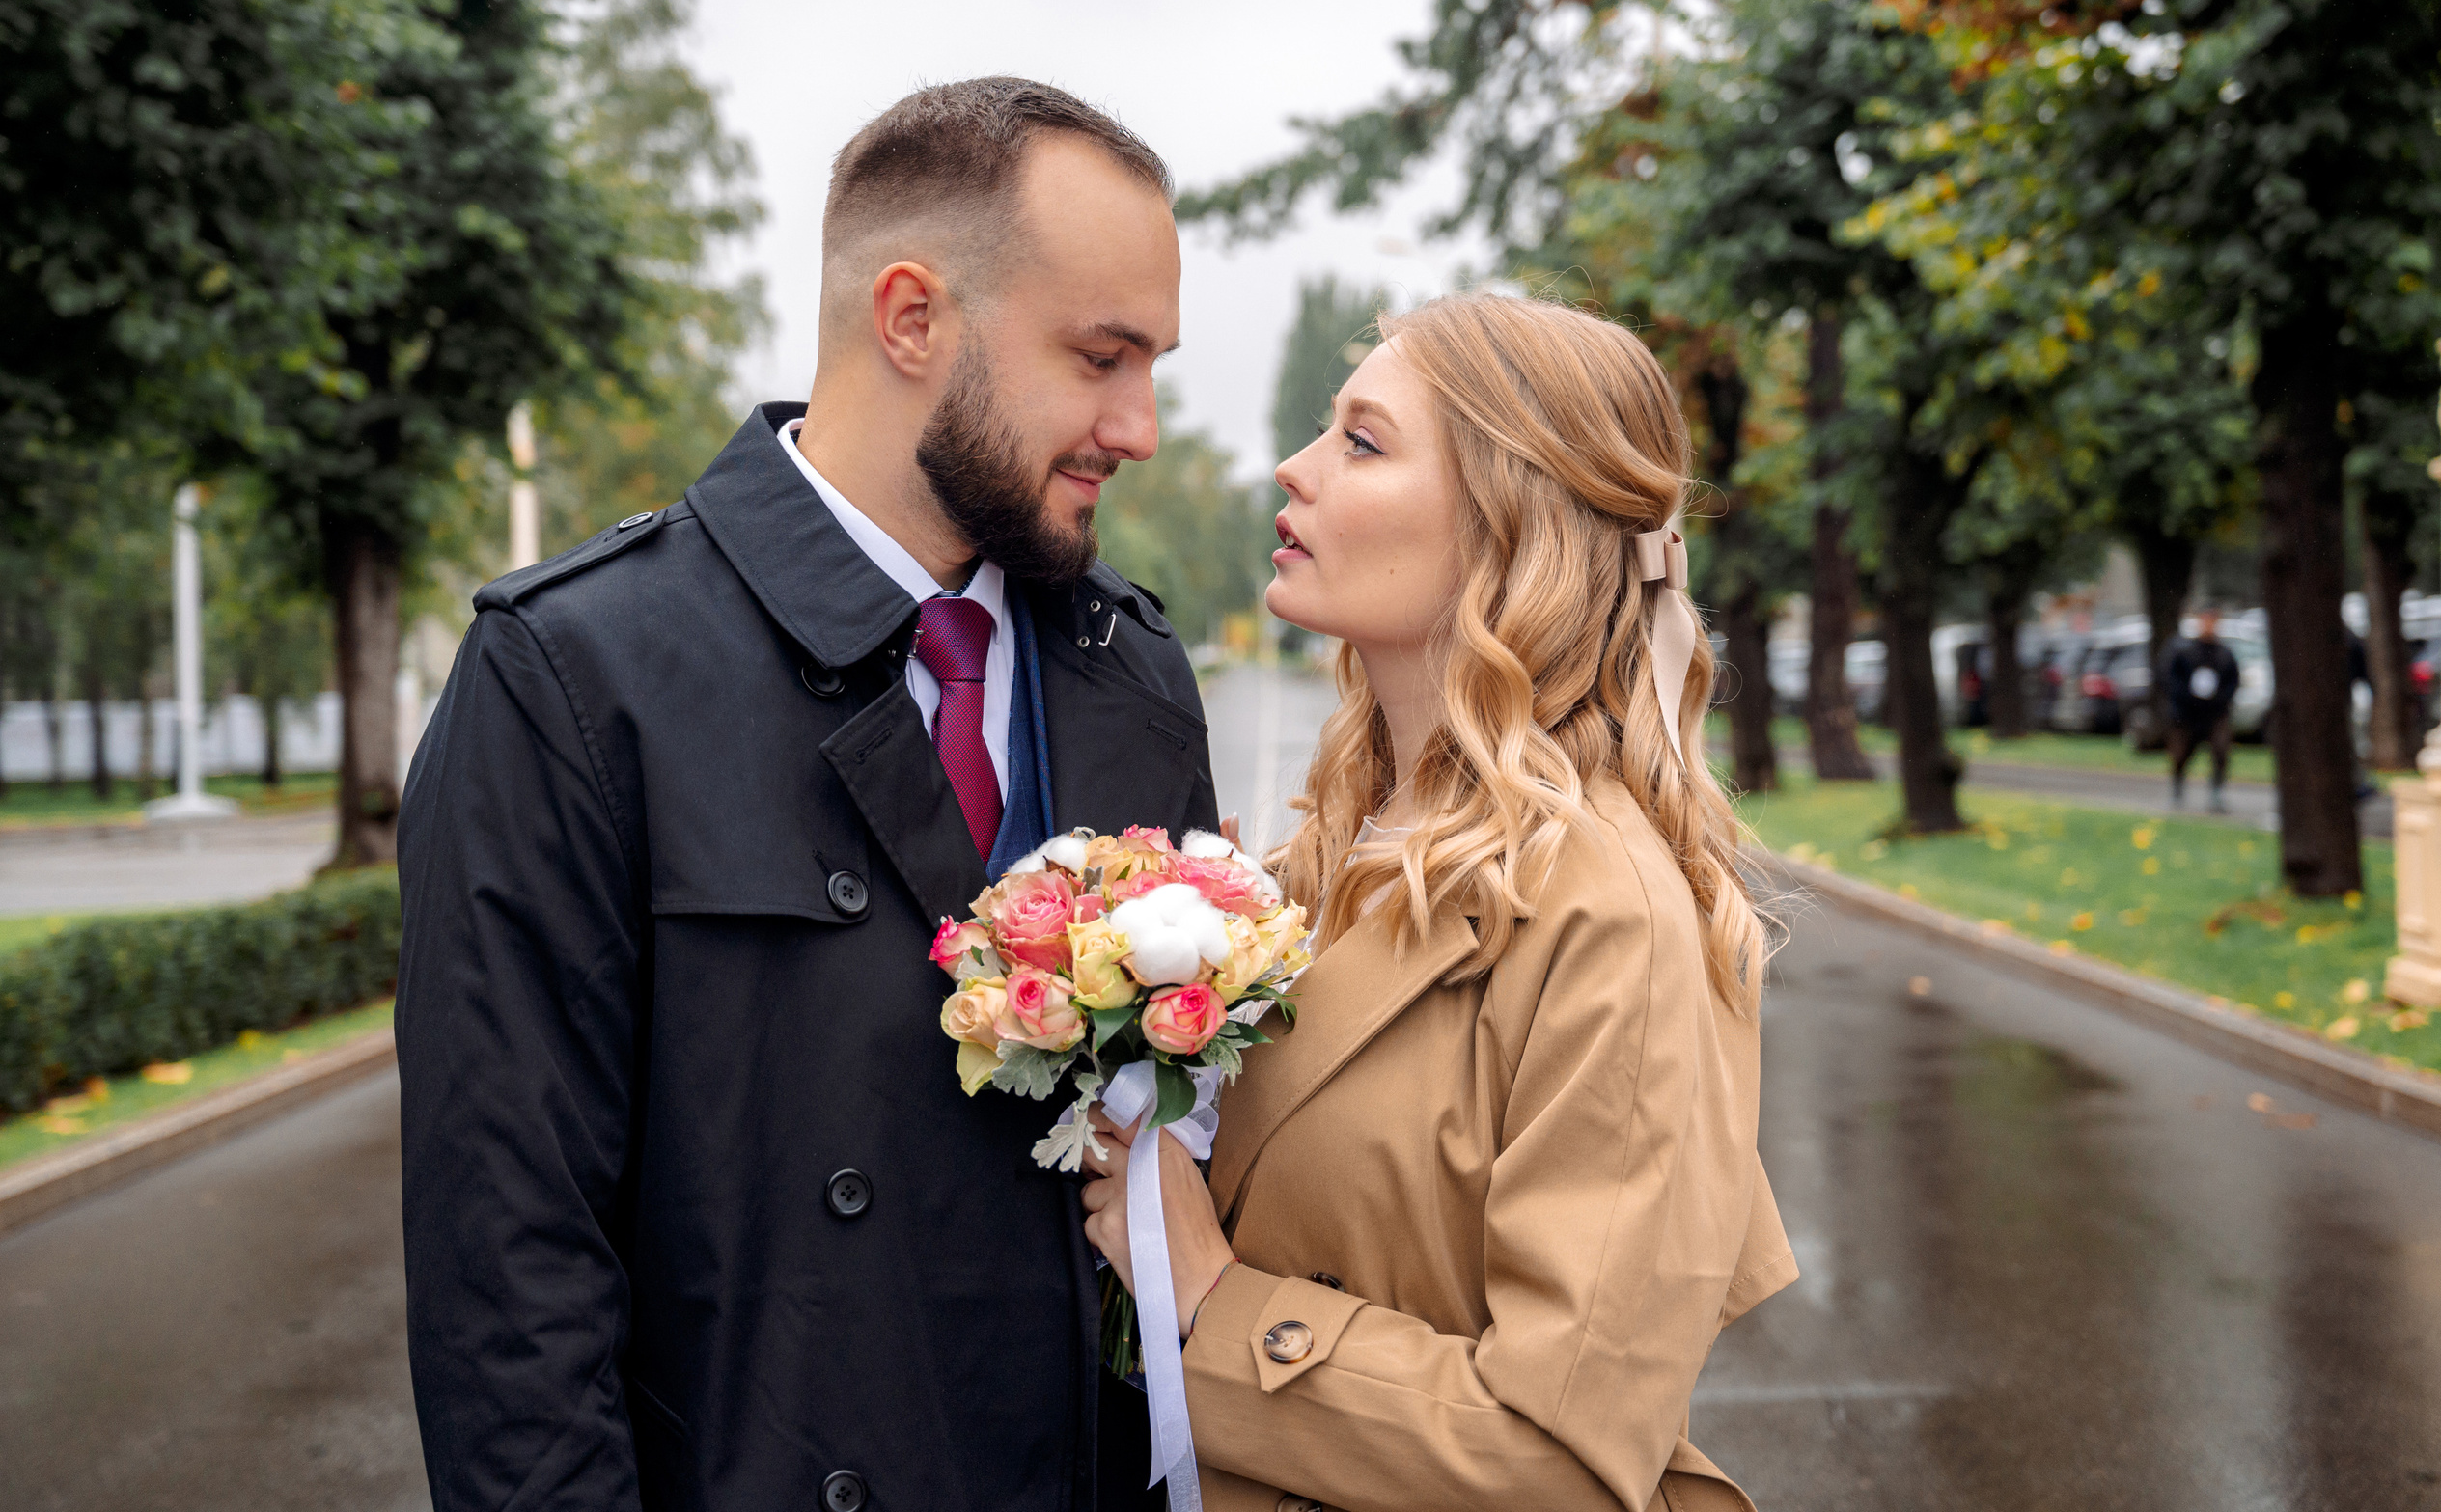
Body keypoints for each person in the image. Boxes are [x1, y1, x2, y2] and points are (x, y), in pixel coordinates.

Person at [396, 78, 1215, 1512]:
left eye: (1153, 364)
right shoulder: (576, 673)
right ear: (911, 318)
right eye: (1101, 357)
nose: (1138, 425)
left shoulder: (1130, 669)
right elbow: (509, 1278)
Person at [1081, 293, 1796, 1511]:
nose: (1294, 467)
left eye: (1362, 443)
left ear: (1511, 524)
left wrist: (1210, 1301)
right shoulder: (1334, 846)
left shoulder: (1609, 916)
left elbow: (1563, 1460)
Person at [2165, 607, 2240, 811]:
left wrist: (2220, 699)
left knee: (2220, 750)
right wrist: (2186, 700)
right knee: (2181, 753)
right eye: (2205, 621)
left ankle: (2217, 793)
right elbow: (2173, 680)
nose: (2209, 626)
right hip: (2188, 713)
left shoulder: (2224, 654)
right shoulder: (2185, 651)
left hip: (2215, 713)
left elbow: (2233, 681)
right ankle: (2177, 789)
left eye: (2213, 622)